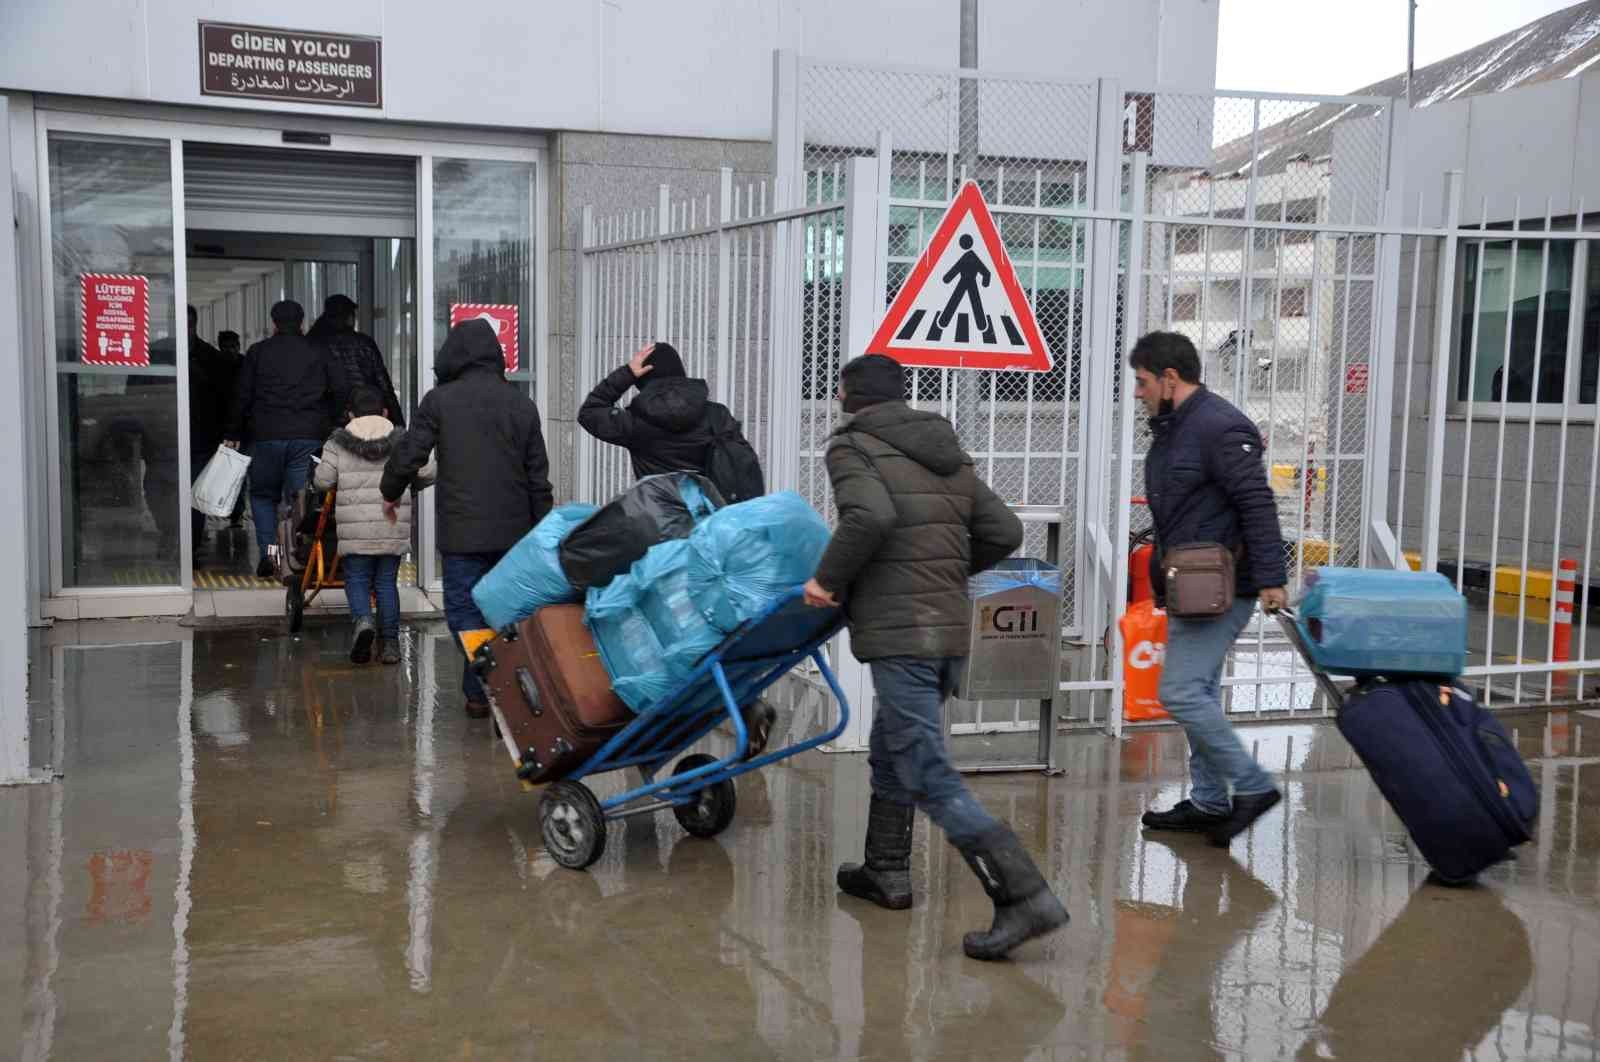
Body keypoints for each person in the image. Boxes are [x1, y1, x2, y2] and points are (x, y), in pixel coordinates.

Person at [802, 353, 1068, 962]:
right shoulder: (944, 449)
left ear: (850, 395)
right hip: (948, 630)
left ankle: (1024, 897)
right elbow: (1003, 531)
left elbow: (870, 516)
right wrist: (945, 573)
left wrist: (828, 581)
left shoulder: (854, 448)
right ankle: (885, 871)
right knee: (894, 749)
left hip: (903, 637)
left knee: (927, 770)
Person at [1131, 331, 1287, 846]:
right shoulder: (1178, 427)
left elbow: (1257, 503)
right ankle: (1210, 801)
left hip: (1221, 585)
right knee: (1198, 691)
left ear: (1170, 379)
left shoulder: (1219, 426)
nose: (1139, 392)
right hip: (1190, 583)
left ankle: (1250, 785)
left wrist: (1271, 578)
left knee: (1178, 690)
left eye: (1144, 382)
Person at [381, 319, 553, 719]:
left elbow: (411, 453)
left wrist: (390, 491)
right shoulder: (522, 404)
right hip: (515, 535)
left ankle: (493, 684)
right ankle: (480, 695)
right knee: (506, 611)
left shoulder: (440, 400)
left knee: (464, 613)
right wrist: (541, 533)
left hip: (462, 534)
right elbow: (537, 478)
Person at [224, 300, 348, 579]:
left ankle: (270, 555)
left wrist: (233, 432)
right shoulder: (319, 351)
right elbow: (341, 388)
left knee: (263, 495)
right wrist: (330, 421)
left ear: (274, 323)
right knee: (299, 500)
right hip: (307, 437)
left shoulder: (257, 352)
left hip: (265, 436)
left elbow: (242, 395)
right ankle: (296, 558)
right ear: (302, 322)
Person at [313, 385, 433, 666]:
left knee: (356, 579)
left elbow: (323, 481)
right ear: (385, 412)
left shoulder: (337, 442)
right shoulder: (402, 440)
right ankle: (390, 645)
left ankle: (364, 622)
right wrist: (410, 485)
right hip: (392, 525)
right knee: (386, 583)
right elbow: (428, 471)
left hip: (354, 530)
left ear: (350, 414)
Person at [577, 340, 758, 484]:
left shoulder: (636, 422)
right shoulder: (717, 415)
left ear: (644, 381)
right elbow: (741, 463)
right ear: (680, 373)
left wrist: (628, 373)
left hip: (658, 522)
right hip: (711, 522)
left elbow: (590, 412)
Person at [309, 294, 405, 428]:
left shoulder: (315, 344)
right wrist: (398, 422)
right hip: (366, 413)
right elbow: (384, 384)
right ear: (349, 317)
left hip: (332, 420)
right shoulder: (364, 342)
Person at [216, 331, 246, 528]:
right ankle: (232, 510)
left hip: (238, 427)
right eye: (227, 347)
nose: (230, 351)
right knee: (228, 470)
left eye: (233, 346)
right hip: (224, 425)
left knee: (237, 470)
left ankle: (235, 511)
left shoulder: (243, 365)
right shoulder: (244, 365)